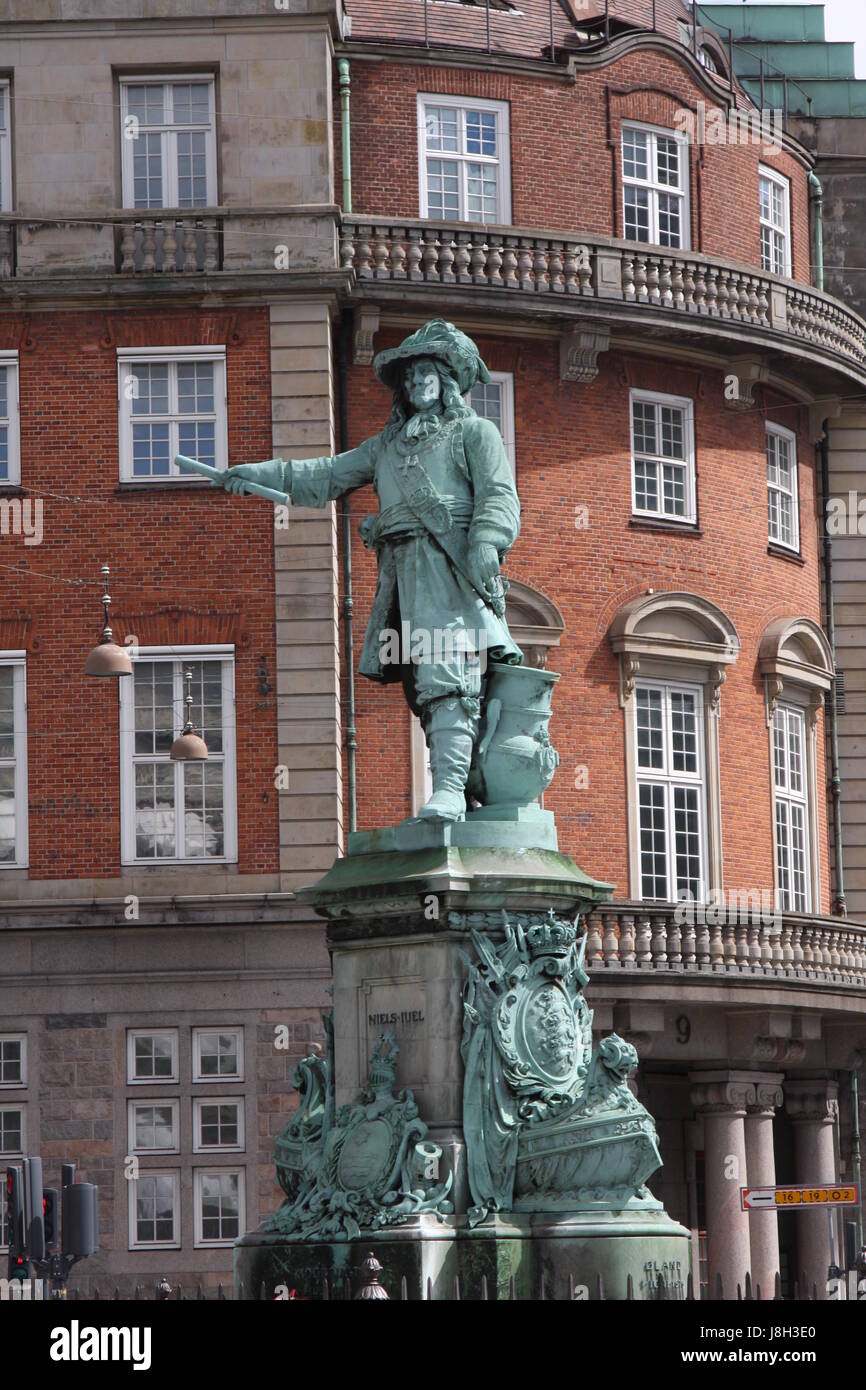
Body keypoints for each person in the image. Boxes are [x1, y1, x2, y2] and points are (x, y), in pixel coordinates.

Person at [219, 319, 522, 821]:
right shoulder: (386, 445)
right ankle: (459, 785)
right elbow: (325, 474)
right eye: (408, 376)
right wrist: (256, 476)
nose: (414, 383)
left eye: (424, 372)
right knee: (419, 681)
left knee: (448, 671)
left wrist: (487, 541)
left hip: (449, 565)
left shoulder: (475, 431)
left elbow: (500, 496)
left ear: (446, 379)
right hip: (400, 572)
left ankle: (448, 787)